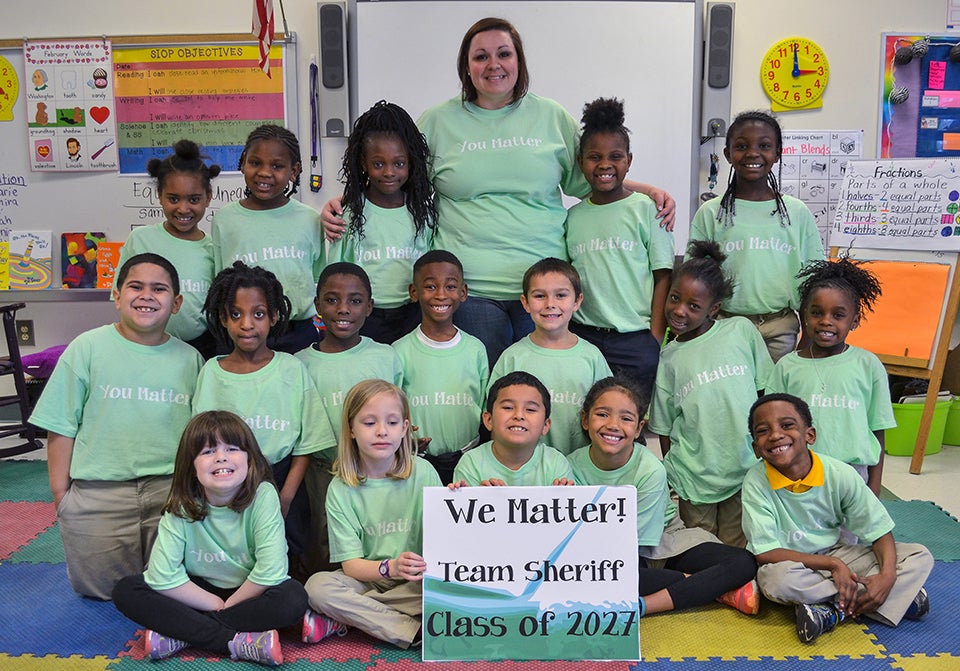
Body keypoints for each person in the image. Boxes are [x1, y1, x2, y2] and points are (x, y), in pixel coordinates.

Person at [322, 17, 676, 367]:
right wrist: (344, 202)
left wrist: (646, 189)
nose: (494, 65)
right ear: (466, 66)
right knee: (488, 394)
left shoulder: (552, 117)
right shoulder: (436, 121)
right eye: (480, 57)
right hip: (469, 289)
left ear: (519, 62)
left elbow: (595, 175)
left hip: (542, 290)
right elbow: (396, 178)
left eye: (504, 54)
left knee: (538, 396)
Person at [30, 253, 204, 600]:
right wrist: (62, 497)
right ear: (116, 294)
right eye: (135, 286)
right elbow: (60, 426)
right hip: (98, 493)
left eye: (159, 289)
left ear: (177, 302)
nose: (146, 296)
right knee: (102, 594)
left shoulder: (191, 359)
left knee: (171, 590)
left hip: (168, 491)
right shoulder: (87, 348)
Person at [112, 411, 308, 666]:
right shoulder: (182, 503)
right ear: (191, 466)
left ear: (250, 459)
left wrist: (228, 604)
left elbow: (271, 571)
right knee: (127, 590)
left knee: (293, 598)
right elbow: (162, 575)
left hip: (249, 592)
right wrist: (214, 602)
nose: (221, 457)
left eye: (232, 448)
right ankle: (231, 641)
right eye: (207, 452)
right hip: (198, 591)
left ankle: (182, 635)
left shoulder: (264, 495)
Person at [743, 393, 933, 644]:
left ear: (810, 435)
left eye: (787, 425)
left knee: (919, 556)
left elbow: (879, 530)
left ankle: (832, 610)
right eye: (763, 431)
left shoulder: (840, 473)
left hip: (837, 552)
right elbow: (765, 553)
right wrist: (833, 566)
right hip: (791, 562)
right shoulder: (755, 482)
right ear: (756, 448)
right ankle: (888, 599)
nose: (776, 435)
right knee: (773, 581)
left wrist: (887, 576)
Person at [568, 376, 759, 617]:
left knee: (743, 562)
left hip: (662, 540)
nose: (613, 425)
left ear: (639, 428)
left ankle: (643, 606)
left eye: (626, 418)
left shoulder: (649, 468)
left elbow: (636, 543)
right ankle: (705, 586)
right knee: (590, 577)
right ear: (585, 419)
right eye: (602, 414)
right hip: (604, 554)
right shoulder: (570, 466)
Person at [194, 261, 335, 573]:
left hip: (284, 480)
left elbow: (305, 443)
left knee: (290, 561)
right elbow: (200, 444)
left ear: (273, 317)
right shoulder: (211, 373)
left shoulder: (291, 368)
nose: (247, 324)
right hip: (226, 485)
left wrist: (284, 497)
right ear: (222, 317)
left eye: (258, 313)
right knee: (236, 559)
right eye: (236, 314)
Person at [648, 241, 773, 547]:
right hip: (695, 476)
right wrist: (675, 475)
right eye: (675, 299)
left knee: (736, 550)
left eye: (693, 306)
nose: (679, 311)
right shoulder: (668, 357)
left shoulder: (741, 331)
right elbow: (664, 426)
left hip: (743, 468)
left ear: (713, 309)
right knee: (702, 549)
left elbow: (765, 395)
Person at [303, 380, 442, 649]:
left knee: (457, 586)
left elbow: (443, 542)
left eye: (391, 423)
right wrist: (391, 567)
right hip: (369, 581)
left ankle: (349, 618)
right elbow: (352, 566)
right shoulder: (340, 489)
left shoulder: (423, 472)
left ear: (404, 428)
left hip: (418, 584)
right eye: (369, 423)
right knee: (316, 587)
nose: (381, 431)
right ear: (351, 429)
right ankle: (411, 629)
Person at [688, 110, 825, 362]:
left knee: (775, 400)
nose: (752, 153)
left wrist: (808, 338)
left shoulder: (797, 212)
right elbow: (695, 280)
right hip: (725, 327)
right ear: (728, 154)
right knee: (732, 399)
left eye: (764, 146)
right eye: (741, 146)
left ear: (777, 153)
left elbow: (814, 281)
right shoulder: (710, 213)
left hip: (780, 327)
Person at [295, 262, 403, 573]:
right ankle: (328, 613)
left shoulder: (386, 356)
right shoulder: (299, 364)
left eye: (355, 301)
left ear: (369, 307)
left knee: (376, 540)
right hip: (322, 471)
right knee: (326, 545)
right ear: (316, 305)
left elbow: (398, 410)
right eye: (331, 300)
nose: (343, 309)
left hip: (378, 470)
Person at [565, 97, 674, 398]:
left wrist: (653, 339)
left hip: (635, 341)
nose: (604, 165)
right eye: (594, 157)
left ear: (629, 160)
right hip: (583, 337)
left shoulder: (649, 210)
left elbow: (663, 277)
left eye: (615, 156)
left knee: (628, 422)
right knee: (585, 419)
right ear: (580, 162)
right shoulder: (573, 217)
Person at [767, 258, 893, 496]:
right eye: (817, 313)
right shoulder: (786, 367)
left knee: (846, 534)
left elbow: (878, 430)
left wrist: (875, 484)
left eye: (838, 315)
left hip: (852, 476)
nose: (826, 321)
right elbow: (775, 425)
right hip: (798, 473)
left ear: (854, 321)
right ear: (804, 316)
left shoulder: (868, 365)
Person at [324, 101, 436, 344]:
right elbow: (335, 268)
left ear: (411, 162)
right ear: (363, 163)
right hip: (364, 317)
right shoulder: (350, 212)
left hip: (414, 313)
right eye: (378, 164)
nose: (389, 172)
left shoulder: (423, 213)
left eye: (398, 163)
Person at [211, 125, 324, 354]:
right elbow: (219, 279)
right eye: (255, 163)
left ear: (294, 171)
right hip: (243, 332)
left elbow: (316, 277)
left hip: (298, 332)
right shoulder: (225, 220)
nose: (264, 172)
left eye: (277, 166)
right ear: (243, 163)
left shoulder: (310, 219)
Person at [490, 258, 611, 455]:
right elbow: (496, 420)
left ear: (577, 301)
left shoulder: (591, 357)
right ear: (525, 303)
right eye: (539, 296)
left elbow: (607, 410)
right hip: (524, 470)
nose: (550, 304)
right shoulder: (512, 357)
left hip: (577, 473)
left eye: (561, 295)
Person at [116, 139, 221, 358]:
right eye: (173, 199)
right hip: (144, 347)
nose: (183, 208)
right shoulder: (140, 240)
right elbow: (123, 299)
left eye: (194, 199)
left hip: (201, 349)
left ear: (208, 198)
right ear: (160, 196)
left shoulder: (214, 248)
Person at [392, 250, 488, 484]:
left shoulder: (475, 349)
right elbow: (392, 410)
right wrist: (404, 442)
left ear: (463, 292)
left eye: (450, 286)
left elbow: (486, 407)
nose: (441, 295)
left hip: (467, 460)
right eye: (431, 286)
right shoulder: (398, 350)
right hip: (416, 462)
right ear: (414, 293)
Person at [452, 371, 574, 486]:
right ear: (489, 420)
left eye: (530, 409)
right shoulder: (471, 463)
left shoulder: (556, 463)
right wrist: (484, 497)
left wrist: (561, 494)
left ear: (545, 425)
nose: (519, 416)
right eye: (508, 407)